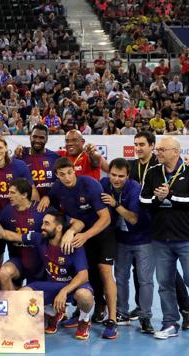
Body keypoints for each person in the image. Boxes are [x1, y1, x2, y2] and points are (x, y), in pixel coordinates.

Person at [48, 157, 118, 339]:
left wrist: (85, 235)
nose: (67, 177)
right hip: (81, 236)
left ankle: (112, 321)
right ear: (56, 175)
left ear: (74, 170)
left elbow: (105, 218)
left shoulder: (90, 185)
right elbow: (57, 215)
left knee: (104, 271)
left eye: (69, 173)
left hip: (102, 233)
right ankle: (80, 314)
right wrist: (71, 228)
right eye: (62, 174)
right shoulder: (57, 189)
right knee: (83, 273)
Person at [3, 210, 95, 340]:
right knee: (23, 294)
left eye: (46, 224)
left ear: (58, 228)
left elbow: (84, 275)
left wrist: (64, 291)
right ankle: (54, 312)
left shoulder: (74, 244)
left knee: (85, 296)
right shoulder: (39, 238)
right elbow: (11, 236)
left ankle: (84, 320)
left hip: (72, 287)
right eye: (42, 223)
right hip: (51, 284)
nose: (42, 227)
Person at [129, 131, 189, 326]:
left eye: (163, 149)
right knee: (163, 282)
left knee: (183, 278)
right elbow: (144, 200)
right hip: (158, 235)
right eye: (159, 149)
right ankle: (167, 321)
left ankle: (185, 310)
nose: (159, 152)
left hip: (183, 235)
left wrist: (169, 196)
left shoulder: (185, 171)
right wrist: (158, 199)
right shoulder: (150, 170)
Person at [100, 158, 154, 333]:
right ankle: (121, 313)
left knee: (145, 280)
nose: (116, 179)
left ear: (128, 176)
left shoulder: (135, 188)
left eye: (121, 176)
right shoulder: (104, 184)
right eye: (113, 175)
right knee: (121, 277)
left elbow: (133, 218)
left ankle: (145, 317)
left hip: (142, 239)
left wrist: (115, 204)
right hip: (121, 239)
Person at [0, 135, 37, 269]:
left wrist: (33, 212)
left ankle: (18, 285)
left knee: (19, 255)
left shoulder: (19, 165)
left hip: (16, 217)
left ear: (6, 148)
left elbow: (32, 190)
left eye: (0, 147)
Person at [15, 124, 61, 198]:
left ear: (46, 139)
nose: (37, 140)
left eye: (41, 137)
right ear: (30, 137)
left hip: (50, 204)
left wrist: (48, 198)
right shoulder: (20, 155)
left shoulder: (55, 157)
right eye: (34, 137)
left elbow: (60, 182)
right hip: (27, 205)